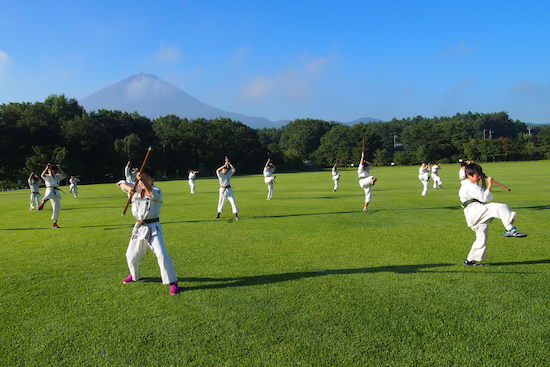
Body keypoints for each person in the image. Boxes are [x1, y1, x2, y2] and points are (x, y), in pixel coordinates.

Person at [116, 167, 180, 295]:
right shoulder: (136, 189)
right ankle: (135, 276)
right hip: (139, 228)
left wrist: (142, 181)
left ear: (152, 180)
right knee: (131, 254)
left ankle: (172, 282)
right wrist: (130, 189)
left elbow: (150, 192)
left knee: (161, 253)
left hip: (153, 227)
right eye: (140, 179)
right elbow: (120, 183)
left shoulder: (156, 191)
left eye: (145, 178)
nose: (141, 181)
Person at [459, 163, 527, 266]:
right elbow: (485, 198)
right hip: (475, 210)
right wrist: (490, 184)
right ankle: (510, 229)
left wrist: (483, 181)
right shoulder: (470, 186)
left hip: (475, 213)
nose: (479, 176)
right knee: (500, 207)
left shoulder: (469, 183)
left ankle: (470, 261)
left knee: (481, 239)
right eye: (478, 175)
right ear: (470, 175)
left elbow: (482, 192)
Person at [37, 163, 66, 229]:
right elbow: (42, 175)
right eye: (49, 170)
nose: (50, 171)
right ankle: (42, 204)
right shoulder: (47, 176)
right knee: (48, 195)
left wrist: (59, 168)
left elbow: (64, 175)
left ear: (54, 170)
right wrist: (46, 168)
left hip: (56, 191)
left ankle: (55, 223)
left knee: (57, 207)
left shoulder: (57, 176)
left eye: (51, 170)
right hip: (49, 188)